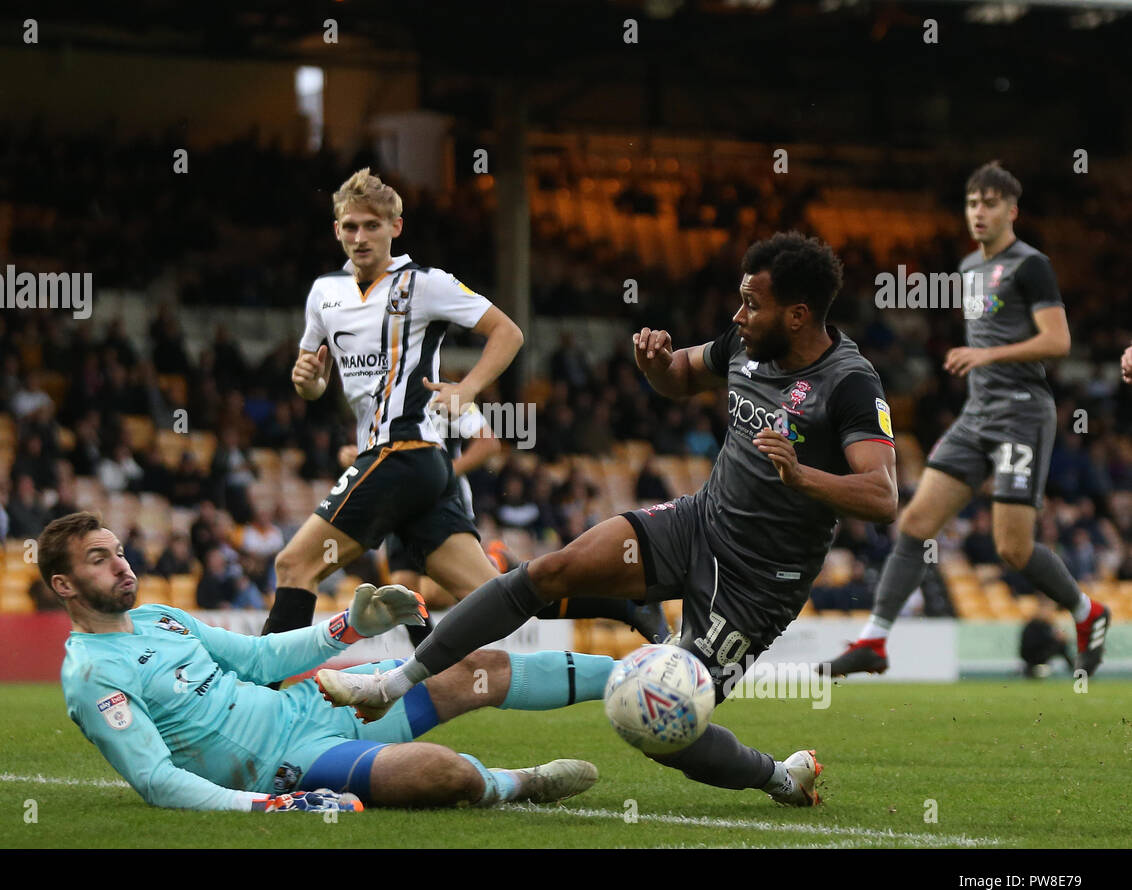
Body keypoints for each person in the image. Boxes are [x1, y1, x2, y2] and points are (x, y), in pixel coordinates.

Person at [318, 232, 896, 807]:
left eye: (753, 304)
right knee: (550, 570)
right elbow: (682, 376)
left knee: (661, 725)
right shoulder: (747, 346)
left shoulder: (849, 384)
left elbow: (881, 494)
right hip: (697, 523)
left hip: (757, 582)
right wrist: (656, 366)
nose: (738, 315)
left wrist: (802, 478)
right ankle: (389, 684)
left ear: (797, 316)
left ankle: (779, 777)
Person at [271, 167, 653, 643]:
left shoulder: (424, 283)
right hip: (413, 469)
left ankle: (257, 696)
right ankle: (625, 603)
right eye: (350, 226)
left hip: (403, 452)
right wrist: (308, 381)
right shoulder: (324, 294)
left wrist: (468, 387)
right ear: (336, 231)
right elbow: (311, 382)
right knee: (495, 595)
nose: (360, 236)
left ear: (395, 227)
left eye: (371, 225)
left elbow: (508, 332)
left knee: (293, 564)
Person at [44, 511, 605, 812]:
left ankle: (637, 674)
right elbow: (156, 780)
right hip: (289, 765)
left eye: (118, 551)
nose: (121, 565)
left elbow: (260, 658)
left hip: (309, 704)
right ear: (64, 585)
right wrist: (268, 805)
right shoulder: (93, 675)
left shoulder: (160, 617)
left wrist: (351, 627)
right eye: (100, 559)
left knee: (477, 668)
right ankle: (521, 783)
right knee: (444, 773)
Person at [823, 162, 1109, 680]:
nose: (979, 211)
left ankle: (1088, 612)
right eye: (973, 202)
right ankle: (875, 640)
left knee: (1012, 548)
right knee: (914, 523)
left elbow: (1058, 341)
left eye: (990, 203)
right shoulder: (968, 268)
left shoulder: (1032, 265)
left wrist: (988, 357)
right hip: (977, 415)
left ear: (1012, 210)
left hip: (1023, 413)